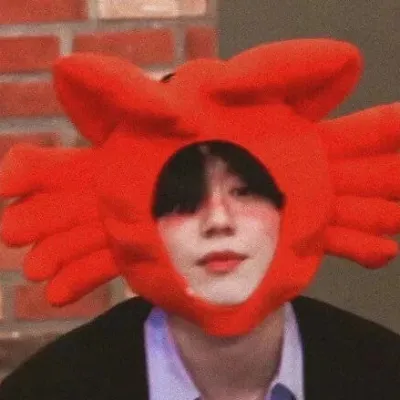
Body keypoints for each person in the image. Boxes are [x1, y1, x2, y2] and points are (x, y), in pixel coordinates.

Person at [0, 38, 399, 400]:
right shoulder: (48, 389)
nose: (218, 220)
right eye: (182, 203)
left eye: (246, 191)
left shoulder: (383, 373)